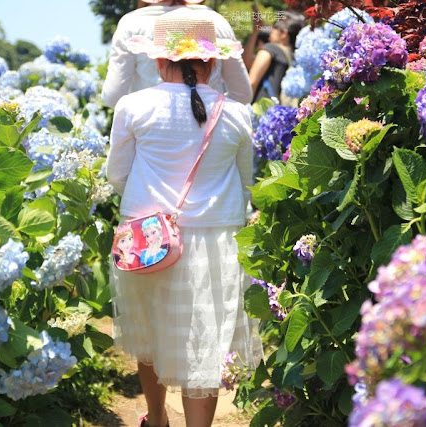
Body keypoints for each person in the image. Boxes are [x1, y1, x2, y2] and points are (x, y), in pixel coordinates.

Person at [106, 8, 262, 427]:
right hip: (217, 241)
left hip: (149, 239)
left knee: (149, 333)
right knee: (205, 345)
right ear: (212, 63)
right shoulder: (236, 114)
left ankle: (156, 419)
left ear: (158, 61)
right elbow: (246, 181)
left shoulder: (133, 106)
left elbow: (116, 174)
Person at [101, 0, 253, 108]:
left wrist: (143, 114)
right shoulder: (217, 21)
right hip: (211, 136)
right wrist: (210, 108)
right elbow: (242, 94)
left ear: (159, 62)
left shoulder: (131, 23)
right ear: (211, 63)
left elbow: (113, 96)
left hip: (153, 139)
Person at [248, 11, 303, 102]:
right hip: (282, 112)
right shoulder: (295, 56)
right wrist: (256, 32)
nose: (271, 29)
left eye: (275, 26)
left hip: (264, 109)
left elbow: (252, 82)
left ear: (284, 34)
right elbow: (250, 63)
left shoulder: (271, 48)